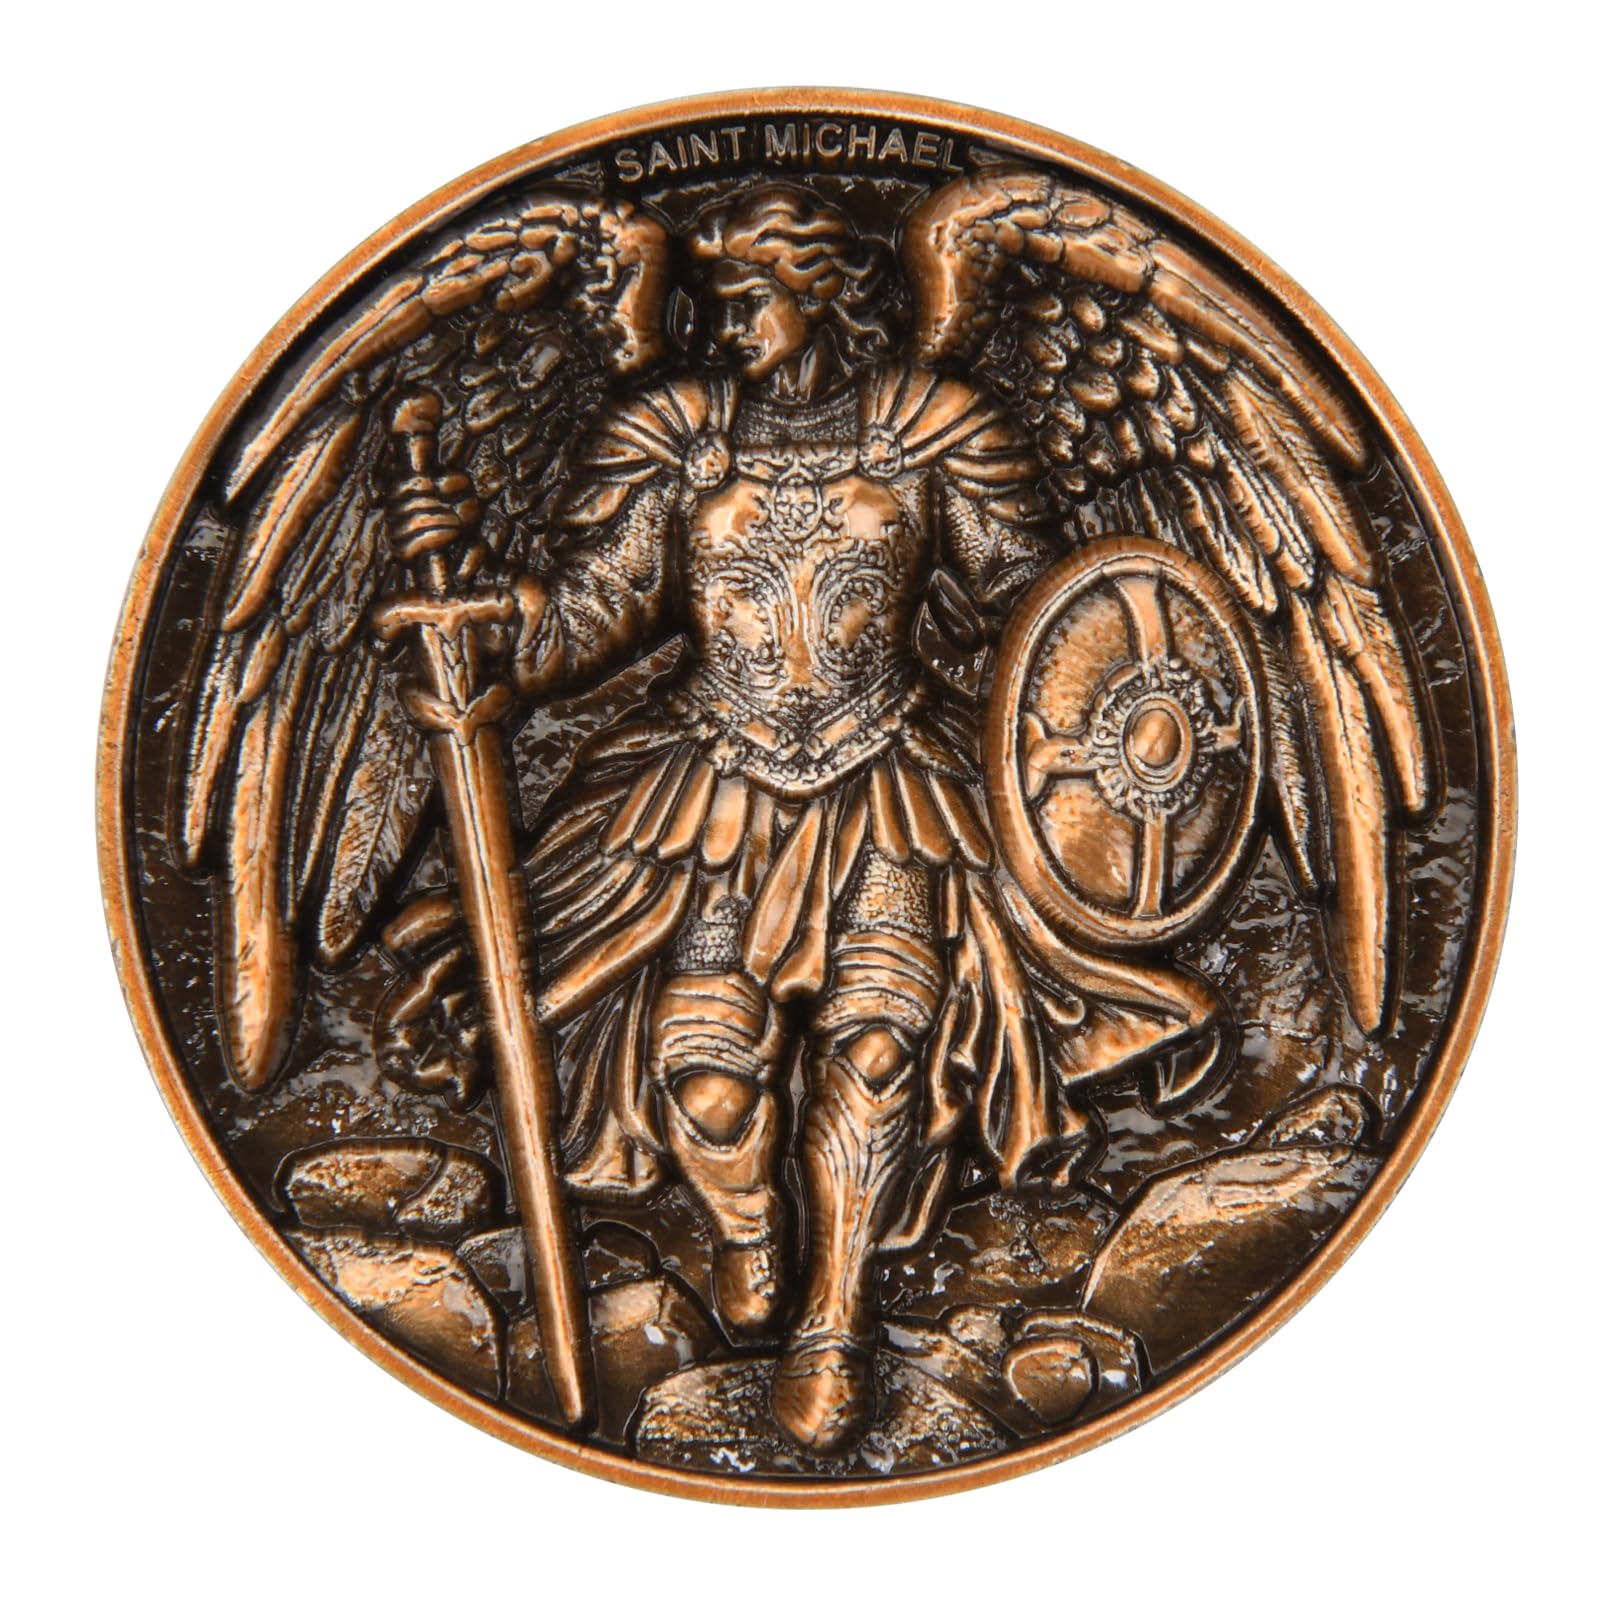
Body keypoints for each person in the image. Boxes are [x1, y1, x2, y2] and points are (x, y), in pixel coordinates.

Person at [398, 187, 1218, 1454]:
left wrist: (1130, 703)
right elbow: (593, 614)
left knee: (882, 1045)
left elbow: (1039, 615)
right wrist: (490, 613)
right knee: (708, 1075)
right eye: (716, 305)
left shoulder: (934, 427)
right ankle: (746, 1233)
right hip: (708, 793)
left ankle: (834, 1318)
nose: (722, 327)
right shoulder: (674, 433)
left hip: (893, 783)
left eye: (747, 302)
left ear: (821, 291)